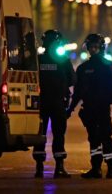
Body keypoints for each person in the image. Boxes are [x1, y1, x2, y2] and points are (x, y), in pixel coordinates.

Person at [67, 33, 112, 179]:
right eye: (91, 47)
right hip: (89, 109)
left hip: (103, 108)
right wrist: (70, 108)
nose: (93, 49)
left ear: (102, 48)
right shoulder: (83, 68)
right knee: (93, 139)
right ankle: (96, 168)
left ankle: (111, 167)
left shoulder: (109, 67)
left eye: (96, 47)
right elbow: (78, 92)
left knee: (106, 137)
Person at [33, 30, 76, 178]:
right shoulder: (63, 60)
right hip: (58, 102)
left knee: (40, 134)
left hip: (41, 103)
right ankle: (59, 168)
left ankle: (39, 168)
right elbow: (72, 80)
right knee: (59, 135)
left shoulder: (38, 60)